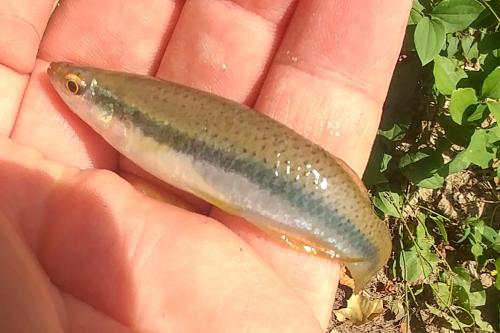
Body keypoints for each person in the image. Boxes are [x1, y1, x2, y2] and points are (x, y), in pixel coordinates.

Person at [0, 1, 412, 332]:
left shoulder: (123, 114)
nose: (64, 87)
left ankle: (366, 248)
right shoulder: (122, 113)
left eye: (75, 89)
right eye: (74, 87)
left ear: (112, 111)